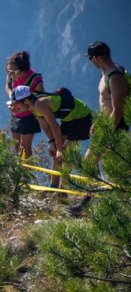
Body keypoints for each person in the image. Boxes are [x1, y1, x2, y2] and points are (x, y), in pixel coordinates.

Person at [66, 42, 130, 216]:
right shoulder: (106, 74)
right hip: (107, 126)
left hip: (114, 129)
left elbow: (118, 112)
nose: (91, 62)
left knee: (100, 165)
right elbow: (105, 105)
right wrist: (99, 122)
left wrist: (105, 132)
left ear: (95, 58)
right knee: (102, 166)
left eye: (90, 59)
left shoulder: (115, 77)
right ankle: (91, 204)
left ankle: (89, 206)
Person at [11, 85, 92, 188]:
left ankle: (63, 189)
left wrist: (60, 149)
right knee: (56, 153)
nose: (15, 107)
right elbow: (45, 125)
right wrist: (52, 142)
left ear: (26, 100)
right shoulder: (31, 106)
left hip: (82, 117)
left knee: (65, 153)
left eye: (17, 104)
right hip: (69, 119)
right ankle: (53, 187)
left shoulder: (39, 104)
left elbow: (54, 125)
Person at [5, 51, 44, 158]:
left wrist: (26, 107)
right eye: (8, 71)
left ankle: (27, 168)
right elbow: (8, 87)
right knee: (16, 147)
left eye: (12, 72)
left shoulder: (35, 80)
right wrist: (12, 97)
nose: (10, 74)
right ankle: (18, 167)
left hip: (29, 116)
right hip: (16, 114)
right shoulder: (12, 74)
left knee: (25, 147)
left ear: (22, 70)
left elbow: (41, 100)